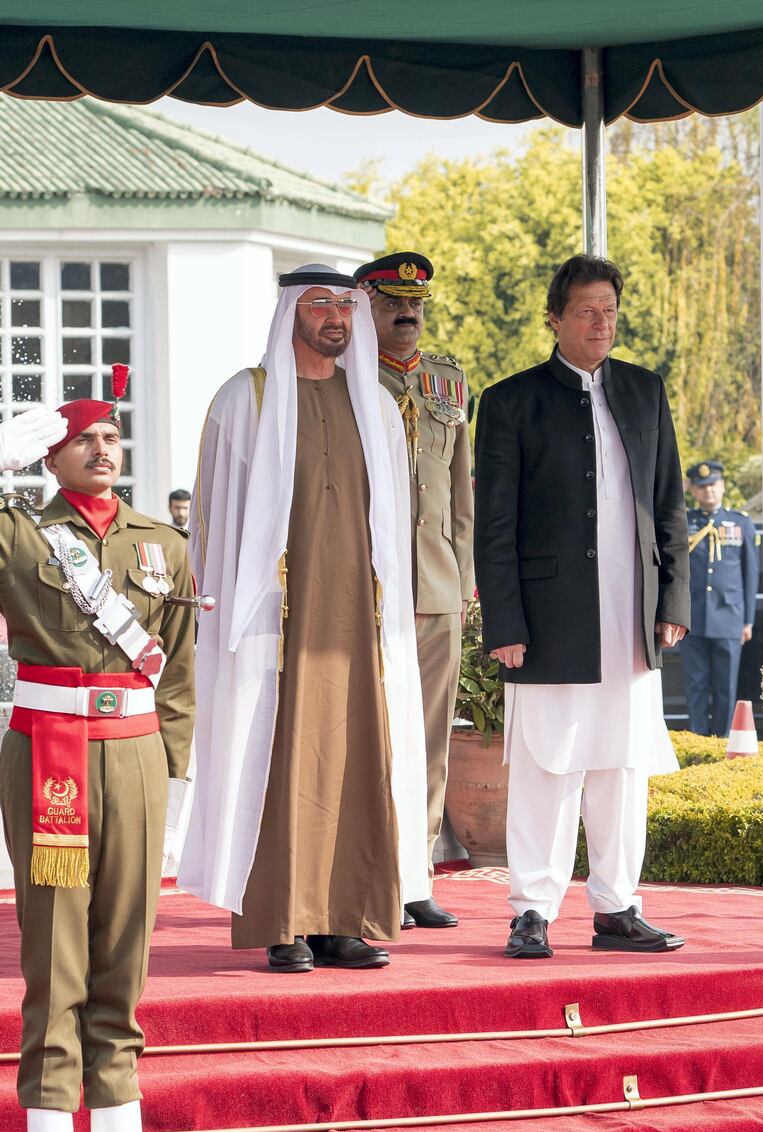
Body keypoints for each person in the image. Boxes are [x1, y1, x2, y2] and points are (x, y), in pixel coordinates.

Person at [178, 264, 428, 973]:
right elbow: (211, 521)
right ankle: (283, 921)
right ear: (290, 310)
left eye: (345, 306)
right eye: (319, 304)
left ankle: (344, 919)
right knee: (278, 762)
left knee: (355, 761)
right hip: (275, 621)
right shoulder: (244, 400)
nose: (335, 319)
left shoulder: (376, 404)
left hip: (357, 621)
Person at [0, 389, 195, 1132]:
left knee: (124, 955)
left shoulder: (163, 543)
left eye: (112, 436)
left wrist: (170, 761)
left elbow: (179, 661)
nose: (103, 449)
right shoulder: (19, 533)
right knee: (57, 956)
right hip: (49, 754)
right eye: (84, 439)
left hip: (135, 754)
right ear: (50, 457)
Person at [474, 253, 690, 960]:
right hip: (547, 618)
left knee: (622, 768)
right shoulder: (511, 401)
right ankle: (532, 908)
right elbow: (495, 524)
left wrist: (672, 600)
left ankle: (618, 906)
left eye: (611, 312)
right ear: (555, 318)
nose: (602, 324)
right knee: (547, 765)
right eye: (588, 312)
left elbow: (669, 507)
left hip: (631, 616)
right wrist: (504, 622)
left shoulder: (644, 390)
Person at [355, 251, 475, 930]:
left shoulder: (447, 383)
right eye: (394, 302)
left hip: (434, 588)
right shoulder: (341, 382)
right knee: (366, 735)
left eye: (416, 304)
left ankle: (413, 874)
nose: (408, 313)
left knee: (430, 738)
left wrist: (464, 582)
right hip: (364, 589)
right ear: (367, 307)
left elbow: (460, 494)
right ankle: (360, 872)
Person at [680, 460, 758, 736]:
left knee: (725, 686)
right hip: (693, 617)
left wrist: (747, 620)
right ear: (694, 491)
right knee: (696, 684)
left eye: (713, 485)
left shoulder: (740, 522)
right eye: (701, 487)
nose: (708, 492)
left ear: (722, 486)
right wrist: (681, 487)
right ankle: (698, 739)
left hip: (729, 617)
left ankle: (723, 739)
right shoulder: (685, 521)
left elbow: (750, 574)